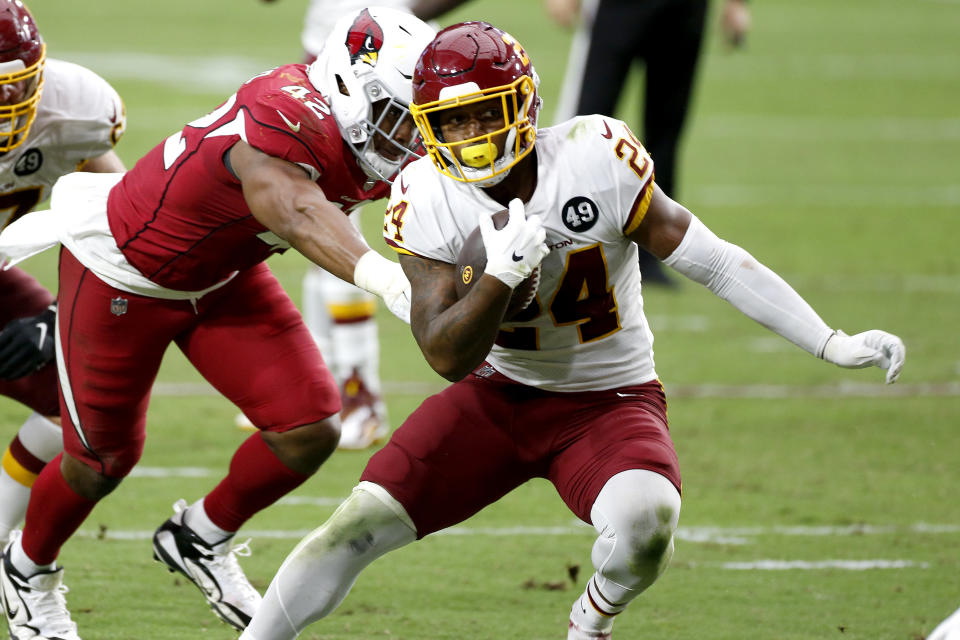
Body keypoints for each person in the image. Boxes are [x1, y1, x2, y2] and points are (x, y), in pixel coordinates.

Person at [239, 20, 905, 640]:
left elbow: (714, 260)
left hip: (610, 402)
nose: (470, 134)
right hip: (497, 400)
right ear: (426, 127)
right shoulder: (424, 193)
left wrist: (830, 340)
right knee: (357, 524)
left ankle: (592, 617)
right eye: (451, 120)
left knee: (646, 525)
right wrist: (499, 278)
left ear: (523, 106)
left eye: (483, 113)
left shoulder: (595, 157)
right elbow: (444, 354)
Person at [0, 6, 435, 639]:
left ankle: (200, 536)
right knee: (101, 461)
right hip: (123, 276)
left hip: (223, 273)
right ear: (351, 89)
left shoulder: (350, 120)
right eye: (401, 115)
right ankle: (27, 568)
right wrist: (390, 281)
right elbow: (294, 207)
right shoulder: (286, 117)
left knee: (309, 425)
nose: (412, 137)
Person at [256, 0, 468, 450]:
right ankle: (323, 384)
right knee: (315, 230)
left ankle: (360, 392)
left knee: (341, 221)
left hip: (385, 63)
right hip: (335, 53)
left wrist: (394, 13)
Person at [0, 0, 126, 550]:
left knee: (76, 404)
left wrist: (57, 315)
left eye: (13, 86)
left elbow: (120, 218)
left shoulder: (75, 112)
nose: (4, 105)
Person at [551, 0, 751, 287]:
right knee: (582, 127)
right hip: (617, 8)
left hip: (684, 9)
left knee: (666, 131)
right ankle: (558, 240)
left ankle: (652, 253)